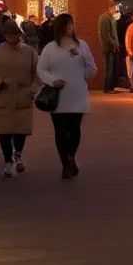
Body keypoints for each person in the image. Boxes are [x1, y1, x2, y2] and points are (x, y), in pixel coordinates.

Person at [37, 13, 98, 179]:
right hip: (58, 95)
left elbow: (91, 67)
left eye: (71, 25)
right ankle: (65, 163)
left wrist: (81, 76)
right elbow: (41, 69)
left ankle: (71, 155)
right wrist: (52, 80)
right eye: (66, 25)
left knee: (75, 128)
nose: (69, 28)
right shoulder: (50, 48)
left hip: (77, 93)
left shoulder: (81, 45)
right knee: (60, 131)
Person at [0, 19, 39, 177]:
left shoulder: (28, 52)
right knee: (4, 131)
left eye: (15, 35)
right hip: (3, 94)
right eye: (9, 35)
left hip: (22, 95)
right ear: (4, 36)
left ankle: (18, 153)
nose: (12, 38)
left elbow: (38, 72)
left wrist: (32, 89)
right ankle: (7, 160)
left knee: (21, 128)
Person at [98, 2, 121, 93]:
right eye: (116, 7)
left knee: (112, 68)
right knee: (109, 68)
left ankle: (111, 87)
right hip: (108, 47)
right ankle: (107, 88)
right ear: (110, 8)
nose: (117, 9)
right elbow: (107, 34)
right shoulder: (105, 18)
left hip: (112, 46)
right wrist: (114, 44)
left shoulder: (110, 18)